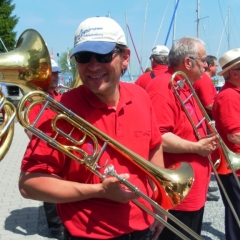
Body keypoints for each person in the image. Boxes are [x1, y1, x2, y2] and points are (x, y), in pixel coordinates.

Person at [19, 16, 165, 240]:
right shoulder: (58, 111)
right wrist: (100, 191)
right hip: (89, 234)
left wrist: (159, 202)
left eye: (104, 55)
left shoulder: (141, 97)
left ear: (125, 58)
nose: (93, 65)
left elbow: (154, 146)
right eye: (84, 57)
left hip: (142, 227)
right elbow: (29, 184)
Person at [146, 37, 219, 239]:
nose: (206, 64)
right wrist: (196, 147)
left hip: (193, 191)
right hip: (179, 195)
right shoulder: (163, 87)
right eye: (203, 60)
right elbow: (158, 137)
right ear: (188, 62)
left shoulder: (185, 85)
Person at [24, 59, 64, 240]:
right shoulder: (35, 99)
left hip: (63, 150)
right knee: (50, 191)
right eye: (52, 73)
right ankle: (57, 230)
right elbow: (30, 129)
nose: (55, 76)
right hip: (47, 151)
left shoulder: (59, 96)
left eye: (57, 73)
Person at [212, 48, 240, 240]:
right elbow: (234, 136)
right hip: (233, 168)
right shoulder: (229, 96)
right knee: (237, 214)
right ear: (233, 72)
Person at [193, 55, 219, 202]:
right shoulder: (204, 81)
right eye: (215, 65)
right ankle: (204, 188)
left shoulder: (204, 80)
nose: (217, 68)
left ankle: (206, 186)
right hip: (207, 120)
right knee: (206, 154)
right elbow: (209, 104)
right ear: (209, 66)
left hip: (206, 120)